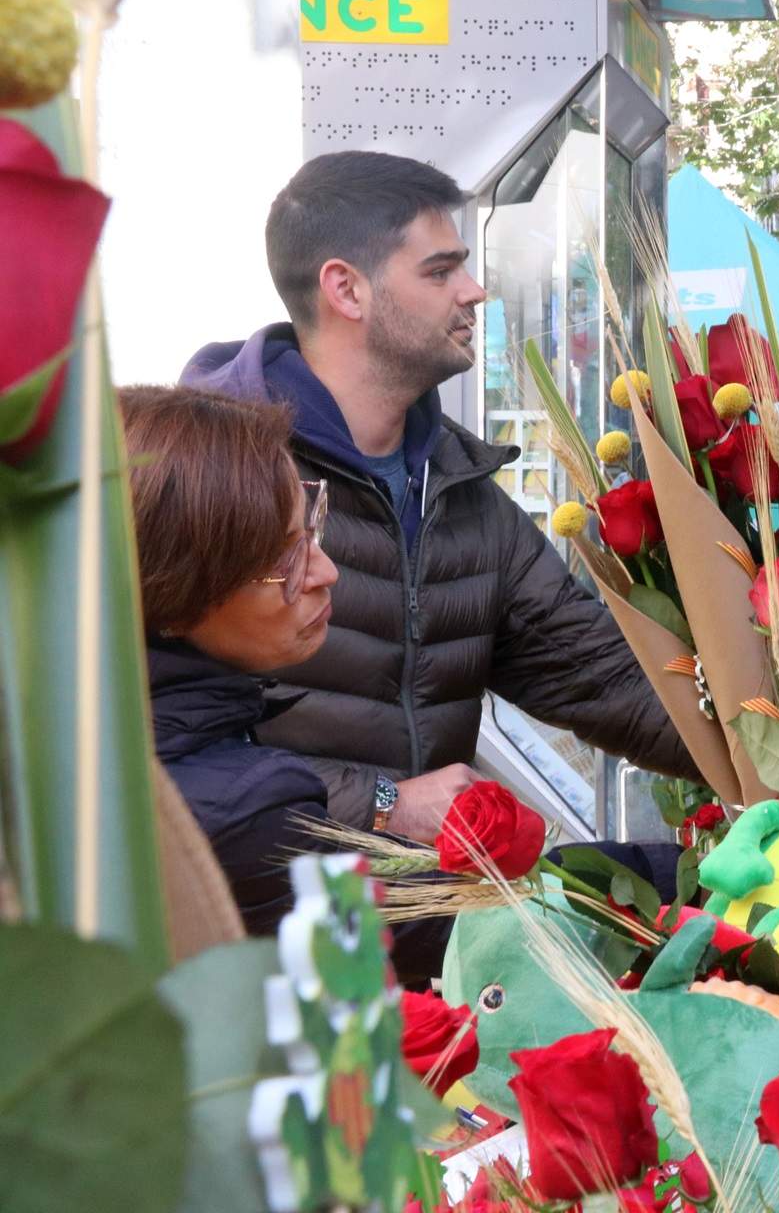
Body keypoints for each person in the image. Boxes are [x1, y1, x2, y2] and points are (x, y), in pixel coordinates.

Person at [183, 151, 695, 842]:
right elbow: (164, 753)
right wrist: (383, 803)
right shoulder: (211, 477)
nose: (475, 289)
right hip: (260, 925)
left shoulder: (459, 487)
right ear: (346, 289)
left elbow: (606, 682)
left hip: (421, 922)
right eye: (440, 270)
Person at [124, 384, 448, 983]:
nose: (325, 571)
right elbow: (425, 929)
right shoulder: (249, 814)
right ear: (167, 596)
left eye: (312, 527)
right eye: (280, 559)